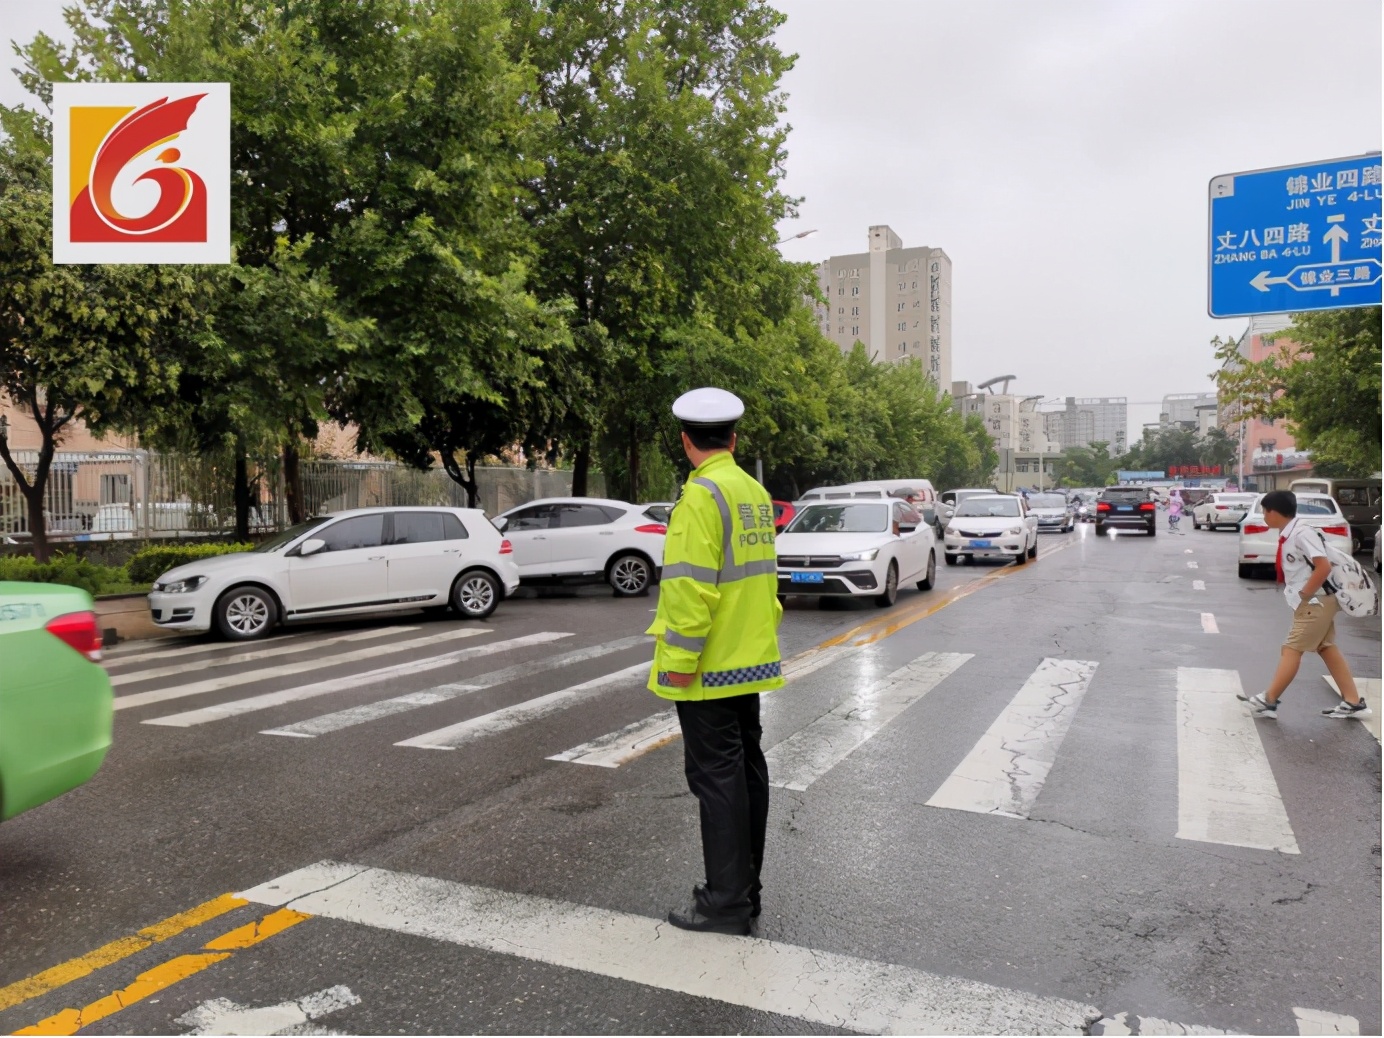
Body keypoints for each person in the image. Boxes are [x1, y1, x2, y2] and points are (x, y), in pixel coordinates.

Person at [648, 387, 784, 935]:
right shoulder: (751, 491)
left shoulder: (701, 497)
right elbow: (763, 583)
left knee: (717, 781)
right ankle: (745, 890)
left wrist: (678, 664)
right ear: (733, 437)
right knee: (747, 773)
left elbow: (689, 590)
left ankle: (725, 903)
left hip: (706, 669)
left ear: (686, 441)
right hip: (747, 663)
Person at [1238, 490, 1371, 720]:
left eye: (1265, 511)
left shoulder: (1301, 533)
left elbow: (1323, 567)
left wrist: (1304, 595)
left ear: (1274, 512)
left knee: (1292, 648)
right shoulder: (1291, 533)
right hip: (1316, 600)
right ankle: (1352, 701)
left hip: (1316, 601)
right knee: (1325, 646)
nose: (1264, 516)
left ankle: (1268, 700)